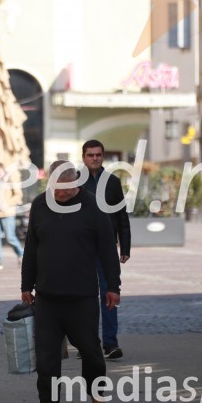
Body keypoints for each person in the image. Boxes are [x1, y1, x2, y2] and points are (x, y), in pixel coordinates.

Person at [21, 161, 121, 403]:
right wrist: (25, 285)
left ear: (75, 182)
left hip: (82, 297)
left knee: (90, 351)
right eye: (54, 188)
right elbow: (31, 247)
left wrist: (113, 287)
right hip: (47, 297)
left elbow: (108, 251)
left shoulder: (94, 207)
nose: (58, 194)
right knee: (47, 357)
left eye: (64, 189)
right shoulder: (41, 204)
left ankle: (98, 399)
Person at [81, 139, 131, 360]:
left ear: (102, 156)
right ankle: (87, 343)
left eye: (98, 155)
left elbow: (122, 216)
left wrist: (125, 246)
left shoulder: (112, 182)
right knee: (84, 297)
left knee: (110, 294)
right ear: (83, 157)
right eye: (90, 155)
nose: (94, 158)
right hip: (80, 249)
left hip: (107, 248)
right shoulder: (75, 180)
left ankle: (110, 343)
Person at [0, 162, 24, 270]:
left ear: (2, 169)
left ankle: (22, 255)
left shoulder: (10, 179)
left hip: (7, 213)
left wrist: (8, 203)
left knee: (10, 238)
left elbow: (18, 194)